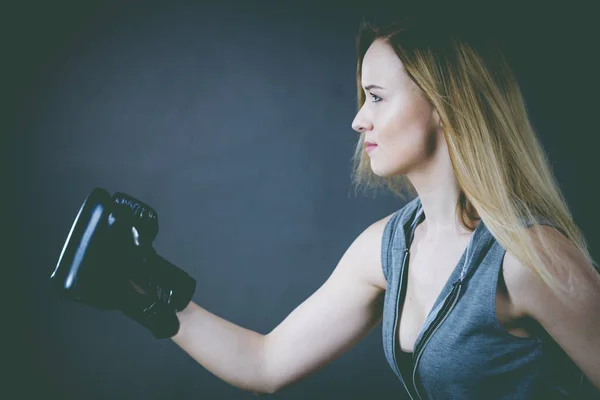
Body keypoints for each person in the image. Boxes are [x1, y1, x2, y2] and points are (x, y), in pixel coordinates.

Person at [51, 16, 600, 399]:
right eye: (362, 97)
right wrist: (146, 291)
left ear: (443, 103)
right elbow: (266, 363)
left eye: (377, 97)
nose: (359, 119)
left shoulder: (528, 260)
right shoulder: (388, 249)